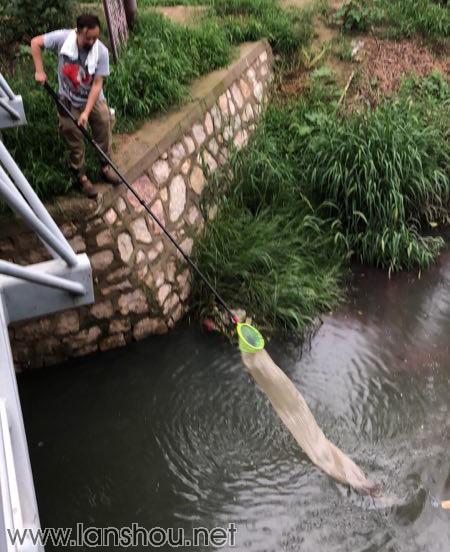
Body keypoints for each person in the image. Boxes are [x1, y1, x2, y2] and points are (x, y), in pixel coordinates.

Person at [31, 14, 120, 199]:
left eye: (95, 38)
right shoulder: (63, 39)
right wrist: (39, 71)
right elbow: (35, 43)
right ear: (78, 32)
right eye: (88, 38)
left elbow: (97, 85)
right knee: (72, 133)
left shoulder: (101, 52)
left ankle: (105, 165)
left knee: (103, 122)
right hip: (67, 99)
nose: (92, 42)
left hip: (92, 98)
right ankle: (81, 175)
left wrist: (86, 113)